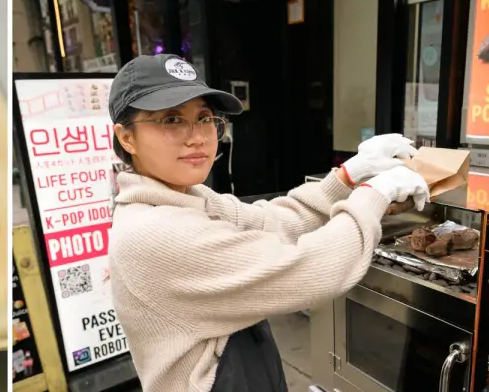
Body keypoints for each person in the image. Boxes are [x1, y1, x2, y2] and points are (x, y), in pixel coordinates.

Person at [107, 54, 429, 392]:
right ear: (127, 138)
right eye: (172, 120)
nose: (197, 137)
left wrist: (348, 175)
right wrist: (374, 193)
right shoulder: (155, 233)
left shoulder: (188, 197)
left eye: (203, 117)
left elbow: (271, 221)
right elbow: (310, 270)